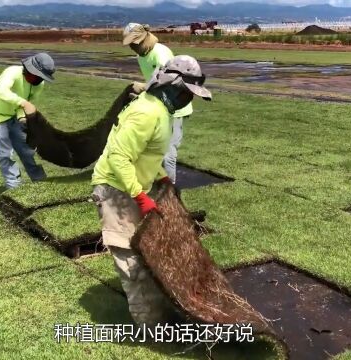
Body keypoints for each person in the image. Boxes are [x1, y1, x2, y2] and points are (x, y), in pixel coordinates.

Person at [91, 55, 212, 326]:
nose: (188, 100)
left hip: (132, 185)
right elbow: (118, 158)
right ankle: (151, 326)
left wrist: (161, 178)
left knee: (147, 251)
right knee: (130, 259)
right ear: (170, 85)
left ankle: (159, 308)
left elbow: (148, 153)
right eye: (185, 93)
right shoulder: (146, 113)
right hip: (115, 189)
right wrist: (140, 196)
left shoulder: (161, 111)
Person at [123, 23, 193, 184]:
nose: (133, 47)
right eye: (130, 44)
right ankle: (154, 182)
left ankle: (169, 191)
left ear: (144, 38)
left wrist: (144, 89)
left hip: (175, 107)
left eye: (135, 43)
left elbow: (169, 83)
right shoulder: (141, 56)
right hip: (160, 107)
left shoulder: (160, 54)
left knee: (168, 153)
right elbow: (154, 82)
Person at [0, 53, 55, 189]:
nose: (37, 79)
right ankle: (14, 188)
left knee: (27, 150)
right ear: (28, 69)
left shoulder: (38, 84)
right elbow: (0, 91)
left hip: (12, 117)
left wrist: (22, 116)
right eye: (36, 75)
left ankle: (41, 183)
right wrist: (23, 103)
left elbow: (27, 102)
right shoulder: (12, 72)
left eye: (41, 77)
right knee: (6, 155)